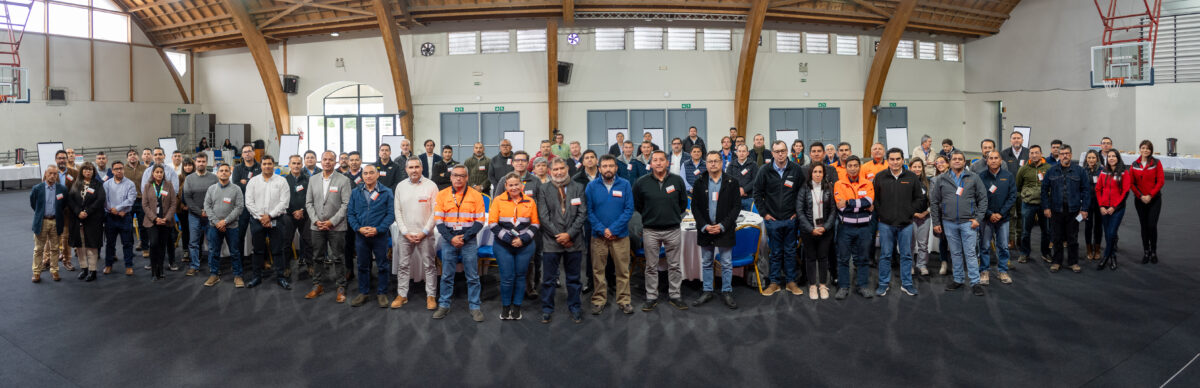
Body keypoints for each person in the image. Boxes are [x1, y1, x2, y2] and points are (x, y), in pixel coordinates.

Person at [633, 150, 690, 311]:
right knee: (651, 266)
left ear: (667, 162)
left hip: (672, 229)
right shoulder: (641, 182)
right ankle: (651, 296)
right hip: (650, 230)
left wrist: (671, 215)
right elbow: (637, 205)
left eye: (661, 160)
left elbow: (683, 204)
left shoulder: (677, 180)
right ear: (650, 164)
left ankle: (675, 295)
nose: (658, 163)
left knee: (674, 265)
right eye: (655, 160)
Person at [432, 165, 488, 322]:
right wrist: (451, 238)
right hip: (449, 239)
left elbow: (480, 221)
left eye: (462, 176)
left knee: (472, 276)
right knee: (447, 275)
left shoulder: (476, 195)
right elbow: (438, 220)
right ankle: (444, 304)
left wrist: (464, 237)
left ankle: (475, 306)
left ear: (467, 178)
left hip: (469, 240)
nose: (458, 178)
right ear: (450, 177)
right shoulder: (442, 195)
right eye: (455, 175)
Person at [537, 158, 587, 324]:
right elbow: (543, 217)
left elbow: (582, 214)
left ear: (567, 169)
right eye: (555, 169)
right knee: (548, 279)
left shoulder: (578, 187)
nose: (559, 172)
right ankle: (547, 309)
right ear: (550, 171)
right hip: (551, 241)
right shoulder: (544, 189)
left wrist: (569, 235)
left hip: (574, 241)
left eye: (561, 168)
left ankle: (575, 307)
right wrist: (559, 235)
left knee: (574, 278)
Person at [931, 151, 988, 296]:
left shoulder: (974, 178)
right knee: (955, 253)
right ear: (950, 162)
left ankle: (975, 282)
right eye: (954, 159)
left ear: (964, 162)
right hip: (948, 223)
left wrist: (978, 219)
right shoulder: (941, 179)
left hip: (968, 223)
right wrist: (937, 222)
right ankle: (958, 279)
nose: (957, 161)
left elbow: (983, 199)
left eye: (960, 159)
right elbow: (934, 201)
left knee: (970, 253)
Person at [873, 148, 927, 297]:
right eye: (892, 159)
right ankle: (883, 284)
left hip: (906, 224)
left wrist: (909, 211)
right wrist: (882, 213)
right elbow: (875, 199)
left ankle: (907, 284)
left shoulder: (911, 177)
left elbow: (920, 198)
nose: (895, 162)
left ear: (903, 160)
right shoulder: (880, 177)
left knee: (906, 255)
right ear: (888, 160)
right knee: (885, 255)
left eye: (898, 159)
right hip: (885, 224)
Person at [690, 151, 740, 308]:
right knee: (706, 262)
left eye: (716, 161)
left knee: (726, 262)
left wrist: (722, 225)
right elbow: (695, 207)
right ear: (706, 164)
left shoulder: (732, 182)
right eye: (710, 161)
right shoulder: (699, 182)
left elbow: (736, 207)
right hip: (706, 229)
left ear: (722, 163)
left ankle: (726, 291)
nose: (713, 164)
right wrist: (704, 226)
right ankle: (707, 290)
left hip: (724, 229)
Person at [586, 154, 635, 315]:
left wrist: (613, 229)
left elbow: (629, 210)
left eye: (611, 166)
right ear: (599, 168)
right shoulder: (591, 187)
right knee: (598, 271)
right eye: (605, 166)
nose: (608, 169)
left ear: (616, 168)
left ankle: (624, 300)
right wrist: (602, 230)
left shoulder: (625, 184)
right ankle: (599, 300)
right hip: (598, 237)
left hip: (620, 236)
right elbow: (589, 211)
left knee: (622, 271)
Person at [488, 172, 540, 320]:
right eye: (510, 185)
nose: (514, 187)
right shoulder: (498, 200)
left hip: (525, 246)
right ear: (506, 186)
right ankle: (506, 307)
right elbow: (492, 223)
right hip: (503, 246)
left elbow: (535, 224)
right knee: (507, 277)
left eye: (516, 184)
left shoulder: (530, 201)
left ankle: (517, 307)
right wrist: (508, 239)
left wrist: (522, 239)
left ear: (522, 185)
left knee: (520, 276)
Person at [755, 141, 804, 297]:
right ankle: (774, 282)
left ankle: (791, 282)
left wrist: (797, 212)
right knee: (775, 252)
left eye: (783, 151)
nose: (780, 154)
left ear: (787, 151)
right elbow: (757, 193)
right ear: (773, 153)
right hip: (773, 220)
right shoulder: (764, 170)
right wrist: (765, 214)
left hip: (791, 218)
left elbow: (802, 192)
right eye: (777, 151)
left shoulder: (796, 169)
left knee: (790, 251)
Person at [303, 151, 351, 301]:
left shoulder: (343, 180)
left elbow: (346, 204)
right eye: (325, 159)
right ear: (320, 162)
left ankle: (341, 286)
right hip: (317, 226)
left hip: (336, 227)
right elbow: (309, 203)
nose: (327, 162)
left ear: (335, 162)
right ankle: (318, 285)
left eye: (331, 160)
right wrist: (316, 220)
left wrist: (332, 221)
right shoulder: (313, 180)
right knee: (317, 257)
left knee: (338, 257)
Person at [393, 157, 440, 310]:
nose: (414, 170)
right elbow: (397, 211)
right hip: (405, 234)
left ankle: (431, 296)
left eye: (416, 167)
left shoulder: (431, 186)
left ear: (422, 168)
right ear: (406, 169)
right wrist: (405, 232)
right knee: (403, 265)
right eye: (411, 167)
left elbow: (435, 212)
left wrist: (424, 231)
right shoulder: (400, 187)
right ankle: (402, 295)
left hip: (425, 234)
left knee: (430, 266)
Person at [347, 165, 395, 308]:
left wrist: (378, 229)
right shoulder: (355, 192)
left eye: (371, 173)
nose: (368, 176)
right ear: (362, 176)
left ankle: (382, 293)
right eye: (365, 173)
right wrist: (358, 228)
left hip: (379, 236)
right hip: (361, 236)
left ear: (377, 175)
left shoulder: (386, 192)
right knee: (362, 265)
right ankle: (363, 292)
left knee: (382, 265)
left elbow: (390, 214)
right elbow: (351, 214)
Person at [1040, 144, 1090, 274]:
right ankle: (1057, 261)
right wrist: (1046, 207)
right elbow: (1044, 190)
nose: (1065, 156)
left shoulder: (1080, 171)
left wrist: (1084, 209)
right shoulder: (1052, 171)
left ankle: (1073, 262)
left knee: (1072, 238)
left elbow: (1086, 191)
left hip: (1074, 210)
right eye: (1062, 154)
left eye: (1067, 153)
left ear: (1071, 155)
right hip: (1056, 210)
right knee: (1057, 237)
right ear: (1059, 155)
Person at [244, 155, 290, 289]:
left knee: (278, 250)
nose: (267, 166)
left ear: (273, 165)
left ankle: (280, 277)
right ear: (261, 166)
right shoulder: (253, 181)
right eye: (264, 164)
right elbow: (249, 202)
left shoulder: (282, 181)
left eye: (270, 164)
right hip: (257, 221)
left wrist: (269, 216)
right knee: (258, 250)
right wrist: (261, 218)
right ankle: (256, 277)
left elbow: (284, 203)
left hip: (277, 221)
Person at [832, 156, 874, 299]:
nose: (853, 168)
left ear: (859, 167)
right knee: (843, 259)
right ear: (846, 167)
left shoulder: (867, 183)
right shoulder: (839, 184)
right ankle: (843, 287)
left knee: (863, 258)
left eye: (856, 165)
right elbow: (841, 207)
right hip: (846, 228)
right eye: (850, 165)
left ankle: (863, 286)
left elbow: (869, 201)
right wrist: (860, 205)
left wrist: (849, 203)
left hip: (864, 228)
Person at [796, 162, 836, 300]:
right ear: (811, 174)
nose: (817, 174)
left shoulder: (829, 188)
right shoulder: (804, 188)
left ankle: (823, 285)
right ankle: (813, 285)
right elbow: (800, 211)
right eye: (815, 172)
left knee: (823, 258)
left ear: (823, 173)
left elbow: (833, 210)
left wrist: (825, 227)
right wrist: (811, 229)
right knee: (811, 258)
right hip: (809, 231)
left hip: (825, 230)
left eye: (820, 172)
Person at [202, 163, 246, 288]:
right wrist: (217, 222)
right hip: (214, 226)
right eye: (221, 170)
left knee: (235, 252)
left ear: (230, 173)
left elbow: (239, 207)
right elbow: (207, 206)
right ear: (217, 173)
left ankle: (238, 275)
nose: (224, 172)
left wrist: (225, 221)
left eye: (226, 170)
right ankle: (214, 274)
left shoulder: (236, 189)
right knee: (213, 251)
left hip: (232, 226)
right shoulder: (211, 189)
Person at [978, 151, 1017, 285]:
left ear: (1001, 160)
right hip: (986, 218)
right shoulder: (981, 177)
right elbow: (978, 198)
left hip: (1003, 218)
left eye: (996, 158)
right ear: (987, 161)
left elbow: (1012, 196)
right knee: (984, 246)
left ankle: (1003, 270)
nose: (993, 160)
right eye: (991, 158)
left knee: (1003, 246)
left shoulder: (1008, 176)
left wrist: (1000, 213)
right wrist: (989, 214)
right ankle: (984, 271)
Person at [68, 163, 105, 282]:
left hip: (93, 219)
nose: (88, 172)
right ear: (82, 171)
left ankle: (93, 271)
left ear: (94, 172)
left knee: (92, 246)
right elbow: (71, 200)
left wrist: (87, 212)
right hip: (77, 219)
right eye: (85, 170)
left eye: (90, 170)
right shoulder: (76, 184)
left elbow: (100, 200)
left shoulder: (98, 184)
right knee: (80, 246)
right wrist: (78, 212)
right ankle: (84, 269)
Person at [1015, 145, 1053, 264]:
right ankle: (1024, 253)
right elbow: (1018, 185)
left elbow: (1053, 185)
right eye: (1032, 153)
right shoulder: (1023, 169)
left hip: (1044, 204)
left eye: (1037, 152)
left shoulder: (1049, 168)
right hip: (1028, 204)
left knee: (1046, 231)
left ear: (1041, 154)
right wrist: (1026, 195)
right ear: (1029, 154)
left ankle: (1045, 252)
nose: (1034, 155)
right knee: (1025, 231)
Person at [1129, 140, 1164, 264]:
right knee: (1144, 226)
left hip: (1154, 200)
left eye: (1148, 148)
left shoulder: (1156, 163)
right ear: (1140, 149)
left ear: (1151, 150)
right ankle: (1146, 251)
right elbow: (1131, 183)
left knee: (1152, 225)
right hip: (1140, 201)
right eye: (1143, 148)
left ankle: (1153, 251)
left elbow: (1160, 181)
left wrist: (1150, 195)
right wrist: (1140, 195)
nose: (1145, 150)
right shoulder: (1134, 165)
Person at [1095, 149, 1130, 270]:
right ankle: (1113, 256)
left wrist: (1114, 207)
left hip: (1117, 209)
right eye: (1109, 156)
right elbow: (1098, 189)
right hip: (1104, 209)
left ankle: (1106, 257)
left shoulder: (1124, 172)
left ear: (1118, 158)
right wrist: (1101, 206)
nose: (1111, 158)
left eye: (1113, 156)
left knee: (1111, 232)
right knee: (1108, 233)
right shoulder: (1104, 172)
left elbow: (1125, 192)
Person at [183, 154, 217, 277]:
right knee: (193, 242)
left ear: (206, 162)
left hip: (210, 215)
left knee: (212, 243)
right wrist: (199, 211)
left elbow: (217, 196)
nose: (201, 163)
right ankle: (194, 266)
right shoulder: (189, 179)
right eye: (199, 161)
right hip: (194, 215)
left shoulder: (214, 178)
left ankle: (213, 266)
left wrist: (208, 211)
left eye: (203, 161)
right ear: (195, 163)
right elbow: (187, 197)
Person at [31, 167, 67, 283]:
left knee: (55, 248)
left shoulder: (62, 189)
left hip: (56, 221)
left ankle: (54, 270)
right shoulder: (37, 188)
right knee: (38, 249)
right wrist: (41, 214)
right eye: (50, 173)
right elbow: (34, 204)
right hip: (42, 221)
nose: (52, 175)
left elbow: (63, 205)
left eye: (55, 174)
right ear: (45, 174)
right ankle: (36, 272)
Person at [142, 165, 177, 281]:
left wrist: (166, 218)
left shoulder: (169, 185)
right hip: (152, 222)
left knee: (162, 246)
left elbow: (173, 204)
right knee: (153, 244)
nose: (159, 174)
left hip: (165, 221)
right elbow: (145, 205)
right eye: (157, 172)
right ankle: (153, 270)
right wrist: (155, 218)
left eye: (161, 172)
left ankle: (160, 269)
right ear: (153, 174)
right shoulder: (147, 186)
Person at [280, 155, 312, 281]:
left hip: (305, 215)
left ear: (302, 164)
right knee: (286, 242)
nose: (296, 165)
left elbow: (310, 197)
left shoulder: (308, 180)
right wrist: (293, 211)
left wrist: (302, 210)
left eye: (299, 163)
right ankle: (286, 266)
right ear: (289, 164)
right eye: (294, 163)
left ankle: (310, 265)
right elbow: (282, 199)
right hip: (288, 215)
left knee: (308, 241)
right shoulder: (283, 180)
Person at [103, 161, 138, 276]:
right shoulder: (107, 184)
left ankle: (129, 266)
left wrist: (117, 209)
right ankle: (108, 265)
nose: (119, 170)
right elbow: (105, 201)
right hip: (110, 217)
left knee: (127, 243)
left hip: (125, 217)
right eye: (116, 169)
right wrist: (115, 211)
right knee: (110, 243)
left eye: (121, 168)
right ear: (112, 171)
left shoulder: (130, 184)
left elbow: (131, 200)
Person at [1002, 131, 1029, 256]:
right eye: (1014, 138)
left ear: (1022, 140)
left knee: (1023, 216)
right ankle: (1011, 240)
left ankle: (1020, 239)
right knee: (1011, 216)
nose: (1016, 140)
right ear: (1010, 140)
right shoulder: (1004, 154)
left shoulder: (1028, 153)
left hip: (1025, 191)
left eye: (1018, 138)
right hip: (1009, 191)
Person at [233, 145, 261, 264]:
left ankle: (260, 261)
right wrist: (251, 184)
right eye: (245, 152)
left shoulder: (260, 167)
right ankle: (238, 261)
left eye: (249, 151)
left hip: (258, 206)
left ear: (254, 153)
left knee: (258, 235)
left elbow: (262, 185)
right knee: (240, 235)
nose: (247, 154)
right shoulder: (238, 169)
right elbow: (235, 185)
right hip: (242, 207)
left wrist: (245, 182)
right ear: (242, 155)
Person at [53, 150, 79, 272]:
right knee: (51, 237)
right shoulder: (50, 172)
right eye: (59, 158)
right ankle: (47, 260)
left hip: (69, 211)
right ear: (56, 160)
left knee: (66, 237)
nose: (62, 160)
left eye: (64, 158)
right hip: (54, 211)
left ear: (67, 159)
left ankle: (67, 261)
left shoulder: (74, 172)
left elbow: (78, 191)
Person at [908, 157, 933, 276]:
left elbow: (932, 200)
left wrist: (926, 212)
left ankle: (922, 265)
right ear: (910, 167)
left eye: (919, 167)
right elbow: (902, 202)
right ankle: (910, 266)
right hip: (910, 217)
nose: (917, 169)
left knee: (923, 244)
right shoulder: (905, 181)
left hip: (925, 217)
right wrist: (914, 213)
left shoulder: (928, 182)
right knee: (910, 244)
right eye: (915, 167)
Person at [173, 157, 195, 270]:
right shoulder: (179, 178)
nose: (188, 167)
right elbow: (176, 194)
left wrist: (192, 206)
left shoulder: (197, 177)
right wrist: (181, 205)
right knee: (185, 230)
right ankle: (186, 251)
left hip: (194, 209)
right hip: (182, 209)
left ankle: (196, 252)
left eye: (190, 165)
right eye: (185, 165)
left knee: (195, 231)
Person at [1080, 150, 1103, 260]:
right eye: (1089, 158)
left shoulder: (1103, 170)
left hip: (1099, 203)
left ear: (1097, 159)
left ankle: (1097, 249)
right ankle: (1089, 249)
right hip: (1087, 203)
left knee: (1098, 227)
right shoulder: (1083, 171)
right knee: (1088, 227)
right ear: (1086, 159)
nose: (1091, 160)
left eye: (1093, 158)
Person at [931, 154, 952, 274]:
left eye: (942, 162)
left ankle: (956, 262)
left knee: (955, 240)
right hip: (941, 214)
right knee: (943, 240)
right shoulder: (934, 180)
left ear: (948, 163)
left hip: (954, 214)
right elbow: (933, 199)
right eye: (937, 163)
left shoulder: (955, 177)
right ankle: (944, 263)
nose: (940, 164)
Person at [727, 144, 756, 211]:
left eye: (743, 151)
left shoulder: (753, 165)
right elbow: (728, 179)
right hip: (734, 198)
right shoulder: (731, 165)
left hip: (749, 198)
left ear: (747, 153)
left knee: (751, 220)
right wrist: (738, 190)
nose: (741, 153)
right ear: (736, 153)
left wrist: (744, 189)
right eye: (739, 151)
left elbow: (755, 180)